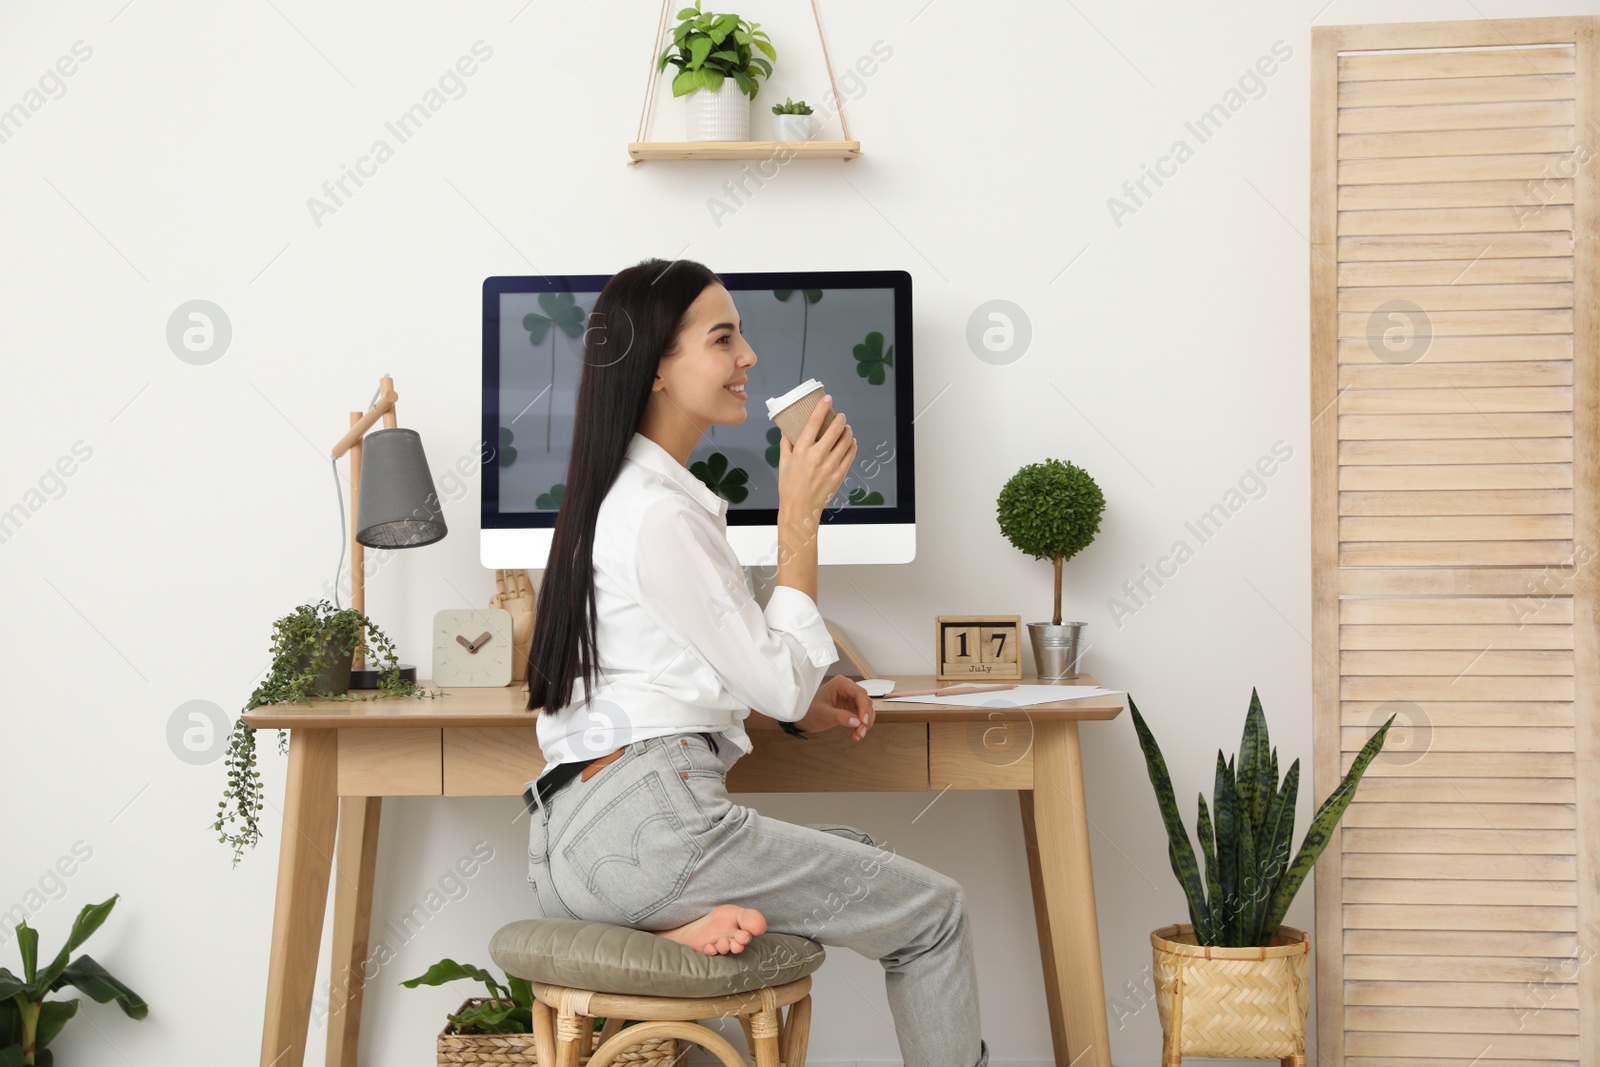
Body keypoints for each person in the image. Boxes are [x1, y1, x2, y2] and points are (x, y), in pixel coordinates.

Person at [523, 257, 989, 1067]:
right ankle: (680, 898)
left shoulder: (617, 496)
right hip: (653, 828)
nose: (750, 358)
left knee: (860, 856)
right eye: (723, 337)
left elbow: (731, 671)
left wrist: (800, 698)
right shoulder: (662, 514)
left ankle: (686, 911)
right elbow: (777, 678)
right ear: (659, 368)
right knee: (933, 913)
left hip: (567, 852)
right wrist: (800, 514)